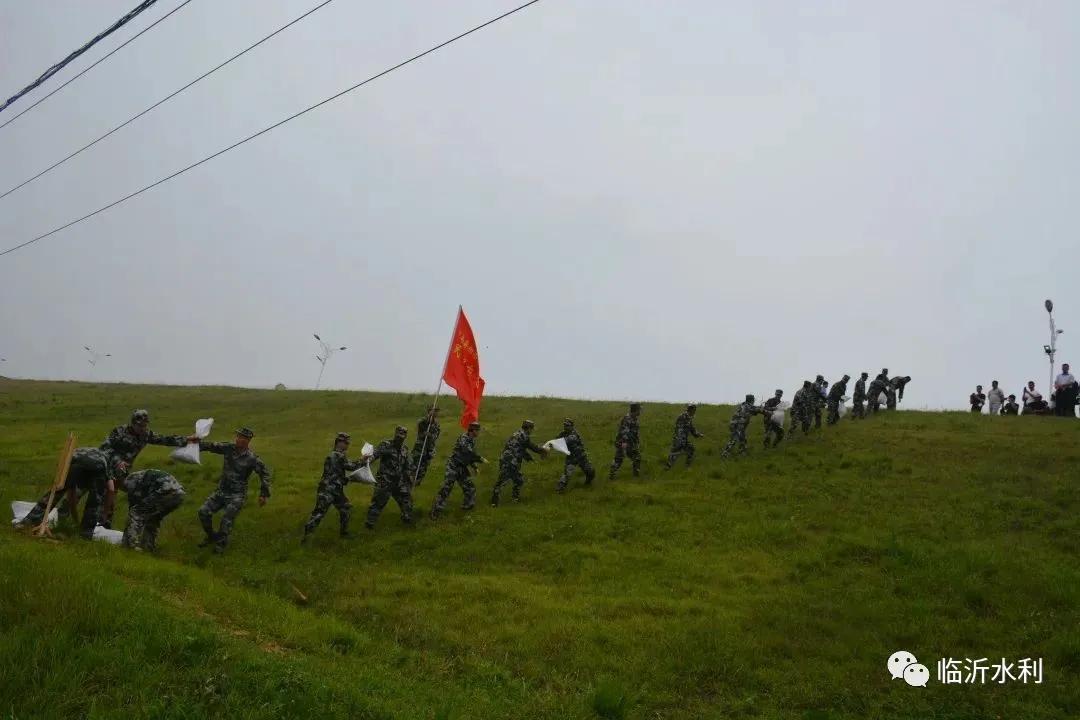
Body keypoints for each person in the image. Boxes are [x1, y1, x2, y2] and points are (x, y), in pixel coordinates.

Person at [15, 446, 126, 540]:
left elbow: (71, 497)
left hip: (73, 459)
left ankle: (28, 521)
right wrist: (105, 514)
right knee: (94, 501)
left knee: (57, 491)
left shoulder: (93, 454)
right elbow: (111, 490)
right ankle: (85, 534)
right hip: (96, 464)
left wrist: (75, 520)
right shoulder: (110, 463)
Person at [196, 427, 272, 553]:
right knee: (203, 512)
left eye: (243, 438)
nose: (239, 440)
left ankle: (220, 545)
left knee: (226, 519)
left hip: (237, 495)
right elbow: (211, 446)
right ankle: (211, 536)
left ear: (248, 441)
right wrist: (195, 443)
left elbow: (264, 474)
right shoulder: (228, 448)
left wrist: (264, 494)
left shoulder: (252, 458)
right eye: (238, 437)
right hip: (220, 491)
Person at [302, 432, 364, 542]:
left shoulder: (334, 455)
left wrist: (347, 479)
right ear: (339, 442)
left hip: (335, 490)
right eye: (345, 443)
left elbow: (336, 473)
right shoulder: (338, 455)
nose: (347, 445)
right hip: (328, 490)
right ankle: (307, 537)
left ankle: (344, 533)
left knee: (346, 508)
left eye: (347, 443)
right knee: (319, 513)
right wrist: (363, 459)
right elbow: (352, 466)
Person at [429, 422, 486, 519]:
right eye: (477, 430)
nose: (479, 433)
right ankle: (435, 512)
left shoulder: (471, 440)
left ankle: (467, 506)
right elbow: (468, 452)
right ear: (473, 431)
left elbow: (468, 457)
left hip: (461, 467)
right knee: (446, 489)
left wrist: (474, 467)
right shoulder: (463, 439)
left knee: (469, 487)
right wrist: (480, 459)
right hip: (453, 466)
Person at [120, 469, 186, 551]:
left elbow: (134, 509)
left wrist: (124, 539)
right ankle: (148, 547)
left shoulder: (129, 480)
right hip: (179, 495)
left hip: (166, 491)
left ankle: (130, 546)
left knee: (136, 512)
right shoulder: (140, 476)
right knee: (153, 518)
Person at [363, 426, 415, 528]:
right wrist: (368, 459)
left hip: (398, 482)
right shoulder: (386, 445)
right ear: (395, 434)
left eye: (402, 436)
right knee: (378, 503)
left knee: (406, 499)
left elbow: (407, 465)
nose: (400, 438)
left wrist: (410, 476)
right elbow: (375, 454)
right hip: (385, 480)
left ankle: (407, 518)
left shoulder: (404, 449)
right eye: (398, 436)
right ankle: (370, 523)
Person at [491, 420, 547, 506]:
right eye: (531, 429)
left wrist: (530, 458)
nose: (531, 431)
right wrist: (543, 450)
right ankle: (500, 502)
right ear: (528, 428)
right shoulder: (524, 436)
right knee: (508, 481)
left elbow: (521, 449)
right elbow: (533, 447)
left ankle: (506, 500)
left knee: (513, 480)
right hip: (512, 462)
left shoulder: (516, 434)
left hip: (505, 459)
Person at [555, 418, 595, 493]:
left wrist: (558, 441)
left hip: (580, 456)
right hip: (571, 457)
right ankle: (559, 489)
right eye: (565, 425)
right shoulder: (563, 433)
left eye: (567, 425)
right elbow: (556, 440)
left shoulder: (574, 434)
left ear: (572, 426)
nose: (565, 427)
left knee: (590, 471)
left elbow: (568, 440)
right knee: (567, 473)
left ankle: (588, 483)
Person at [609, 403, 642, 480]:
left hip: (631, 443)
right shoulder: (627, 419)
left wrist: (637, 442)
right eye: (639, 410)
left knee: (637, 457)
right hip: (623, 443)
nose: (640, 411)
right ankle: (612, 475)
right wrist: (624, 443)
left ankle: (636, 475)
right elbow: (624, 431)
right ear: (635, 410)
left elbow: (635, 432)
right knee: (619, 459)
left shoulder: (635, 419)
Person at [664, 403, 703, 469]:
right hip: (679, 440)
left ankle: (685, 466)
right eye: (694, 410)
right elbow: (689, 428)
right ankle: (669, 467)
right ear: (691, 410)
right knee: (676, 452)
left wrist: (698, 434)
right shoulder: (685, 416)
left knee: (690, 449)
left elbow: (691, 428)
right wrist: (697, 434)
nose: (695, 412)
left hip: (681, 439)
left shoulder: (687, 416)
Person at [411, 407, 441, 486]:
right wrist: (428, 421)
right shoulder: (423, 421)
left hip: (429, 447)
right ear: (429, 411)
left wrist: (431, 435)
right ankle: (410, 480)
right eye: (434, 410)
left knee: (424, 466)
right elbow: (419, 425)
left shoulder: (436, 424)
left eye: (437, 411)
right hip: (420, 446)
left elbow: (436, 435)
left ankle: (417, 482)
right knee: (416, 464)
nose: (436, 413)